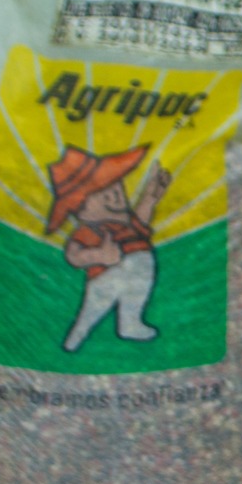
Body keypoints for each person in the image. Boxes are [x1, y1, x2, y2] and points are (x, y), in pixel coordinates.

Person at [45, 144, 171, 353]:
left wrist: (151, 195)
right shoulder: (89, 231)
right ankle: (74, 339)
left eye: (117, 189)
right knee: (91, 312)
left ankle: (130, 324)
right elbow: (74, 256)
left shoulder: (126, 223)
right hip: (105, 279)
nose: (115, 197)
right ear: (81, 209)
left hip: (138, 276)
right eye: (105, 195)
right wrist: (99, 255)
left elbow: (141, 219)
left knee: (135, 298)